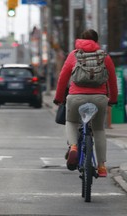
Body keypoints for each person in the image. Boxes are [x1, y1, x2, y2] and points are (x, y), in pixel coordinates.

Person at [53, 29, 118, 177]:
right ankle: (101, 166)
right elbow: (112, 81)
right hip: (99, 98)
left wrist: (58, 98)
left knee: (71, 122)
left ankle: (74, 146)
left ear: (81, 39)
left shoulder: (74, 55)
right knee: (99, 130)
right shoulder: (104, 57)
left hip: (76, 97)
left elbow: (63, 78)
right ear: (96, 41)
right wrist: (113, 99)